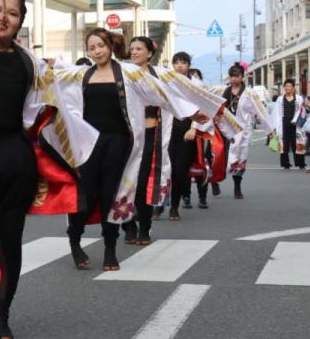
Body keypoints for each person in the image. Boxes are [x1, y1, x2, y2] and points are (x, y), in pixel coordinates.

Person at [0, 0, 98, 339]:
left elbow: (56, 114)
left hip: (12, 157)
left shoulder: (30, 64)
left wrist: (74, 161)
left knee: (9, 238)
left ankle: (0, 313)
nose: (3, 17)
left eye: (12, 13)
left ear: (21, 23)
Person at [52, 29, 213, 270]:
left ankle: (109, 249)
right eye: (92, 47)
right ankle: (74, 240)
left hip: (118, 142)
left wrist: (188, 111)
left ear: (110, 46)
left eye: (101, 46)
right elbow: (48, 78)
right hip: (89, 145)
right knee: (86, 195)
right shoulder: (81, 75)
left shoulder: (129, 73)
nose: (97, 51)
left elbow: (161, 92)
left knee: (112, 194)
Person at [120, 37, 222, 246]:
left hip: (154, 134)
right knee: (125, 181)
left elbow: (189, 94)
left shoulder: (163, 75)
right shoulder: (121, 73)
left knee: (147, 180)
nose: (134, 52)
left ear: (150, 53)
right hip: (127, 136)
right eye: (132, 49)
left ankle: (145, 225)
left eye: (139, 48)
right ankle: (128, 223)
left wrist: (199, 115)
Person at [218, 64, 275, 196]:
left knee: (239, 159)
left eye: (236, 76)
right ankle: (214, 180)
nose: (233, 79)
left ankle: (237, 186)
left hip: (241, 131)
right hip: (224, 130)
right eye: (231, 76)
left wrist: (270, 132)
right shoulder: (223, 91)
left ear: (242, 77)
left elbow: (261, 111)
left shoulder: (250, 93)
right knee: (219, 157)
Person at [166, 51, 195, 220]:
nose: (179, 65)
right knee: (165, 170)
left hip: (186, 130)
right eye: (176, 62)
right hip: (168, 130)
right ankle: (160, 204)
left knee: (179, 170)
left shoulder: (195, 84)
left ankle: (174, 206)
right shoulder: (166, 82)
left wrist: (194, 128)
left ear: (188, 65)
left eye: (183, 62)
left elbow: (202, 107)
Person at [274, 80, 307, 169]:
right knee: (284, 143)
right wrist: (276, 127)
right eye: (286, 86)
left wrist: (296, 119)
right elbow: (277, 113)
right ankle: (286, 163)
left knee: (298, 142)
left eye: (290, 86)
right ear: (284, 88)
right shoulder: (280, 99)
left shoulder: (299, 98)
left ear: (293, 88)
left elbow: (302, 111)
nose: (288, 88)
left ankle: (300, 163)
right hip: (284, 122)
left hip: (296, 124)